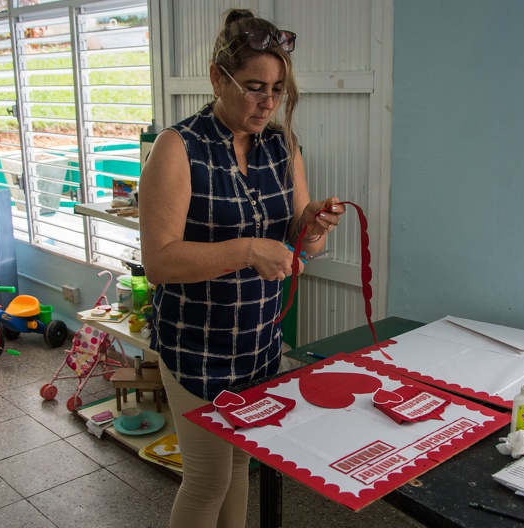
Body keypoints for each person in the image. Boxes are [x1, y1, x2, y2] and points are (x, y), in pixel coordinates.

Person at [138, 9, 346, 528]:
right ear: (217, 78)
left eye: (277, 89)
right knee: (208, 479)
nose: (268, 102)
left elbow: (301, 239)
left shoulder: (282, 146)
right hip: (194, 347)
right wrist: (249, 249)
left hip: (256, 343)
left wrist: (314, 226)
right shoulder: (178, 148)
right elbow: (159, 261)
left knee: (239, 467)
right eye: (254, 87)